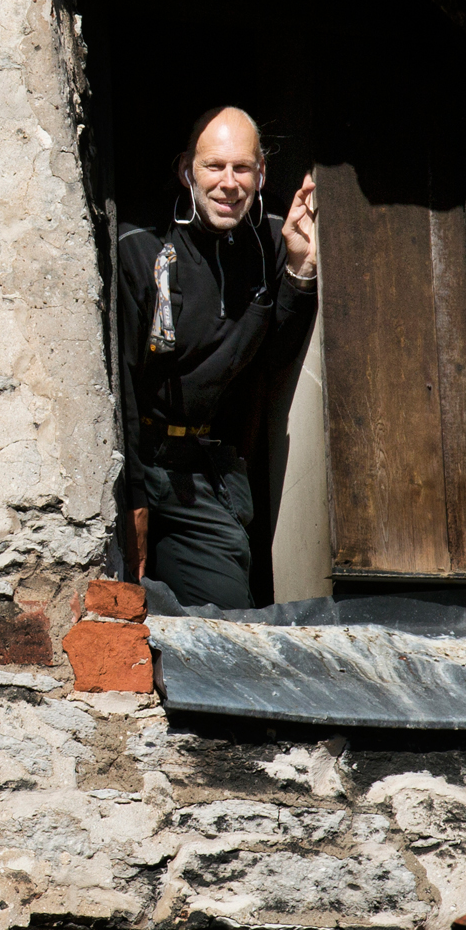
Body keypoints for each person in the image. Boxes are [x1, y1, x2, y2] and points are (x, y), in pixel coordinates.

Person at [114, 106, 319, 611]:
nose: (229, 183)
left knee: (228, 616)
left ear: (261, 174)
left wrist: (299, 271)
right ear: (186, 170)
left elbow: (273, 359)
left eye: (242, 168)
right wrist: (134, 499)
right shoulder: (141, 246)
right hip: (132, 462)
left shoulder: (274, 238)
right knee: (119, 607)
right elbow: (121, 383)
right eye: (214, 166)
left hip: (200, 470)